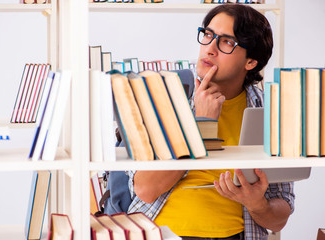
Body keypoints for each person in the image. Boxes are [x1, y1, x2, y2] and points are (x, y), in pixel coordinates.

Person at [126, 4, 294, 240]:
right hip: (161, 232)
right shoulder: (164, 98)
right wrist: (200, 124)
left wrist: (258, 204)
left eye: (226, 42)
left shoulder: (271, 113)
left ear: (251, 62)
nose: (210, 48)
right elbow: (145, 189)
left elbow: (280, 216)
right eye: (208, 35)